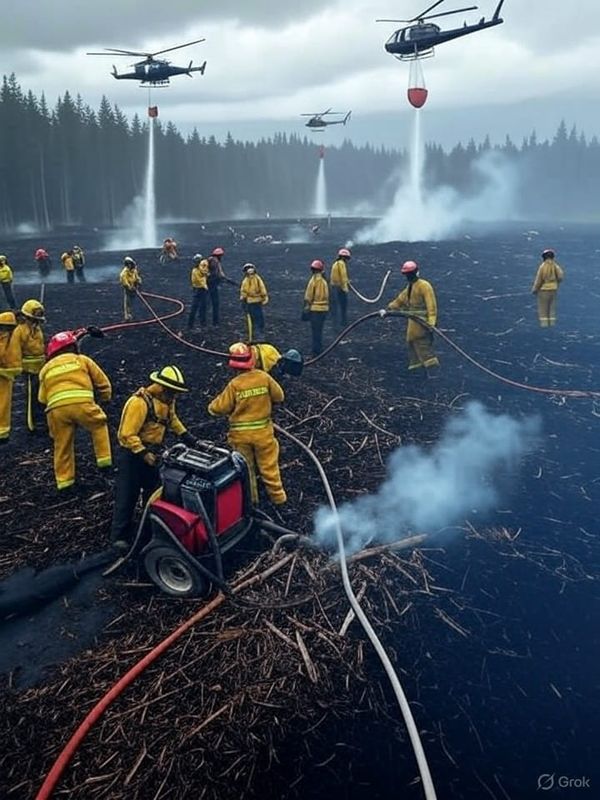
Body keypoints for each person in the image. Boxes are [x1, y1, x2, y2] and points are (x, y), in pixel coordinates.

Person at [110, 365, 196, 550]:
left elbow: (171, 419)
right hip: (132, 456)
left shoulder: (166, 401)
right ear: (162, 388)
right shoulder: (139, 403)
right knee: (127, 495)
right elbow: (126, 434)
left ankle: (149, 531)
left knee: (154, 494)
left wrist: (187, 437)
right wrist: (143, 453)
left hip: (153, 452)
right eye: (172, 393)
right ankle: (119, 538)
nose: (174, 397)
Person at [208, 343, 286, 507]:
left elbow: (218, 408)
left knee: (247, 470)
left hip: (240, 437)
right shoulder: (264, 377)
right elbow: (279, 396)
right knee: (269, 467)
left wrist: (211, 407)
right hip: (264, 434)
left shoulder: (234, 385)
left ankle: (252, 501)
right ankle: (279, 498)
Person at [38, 331, 112, 491]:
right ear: (74, 347)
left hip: (56, 411)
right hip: (82, 404)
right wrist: (105, 399)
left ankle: (64, 481)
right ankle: (104, 461)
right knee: (99, 425)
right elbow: (103, 382)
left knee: (62, 443)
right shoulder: (82, 360)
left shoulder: (45, 369)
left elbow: (42, 398)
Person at [381, 260, 439, 372]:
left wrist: (431, 323)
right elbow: (400, 300)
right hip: (413, 324)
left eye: (410, 274)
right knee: (412, 344)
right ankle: (417, 371)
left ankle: (433, 373)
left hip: (422, 323)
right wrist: (388, 309)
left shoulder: (424, 286)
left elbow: (431, 306)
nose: (409, 276)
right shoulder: (410, 287)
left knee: (423, 347)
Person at [15, 299, 46, 433]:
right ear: (25, 317)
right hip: (29, 370)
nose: (36, 322)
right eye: (33, 319)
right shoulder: (19, 331)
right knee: (31, 398)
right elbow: (15, 351)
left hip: (40, 367)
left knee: (40, 395)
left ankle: (41, 419)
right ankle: (32, 424)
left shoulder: (37, 329)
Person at [0, 311, 22, 443]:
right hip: (4, 375)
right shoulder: (7, 339)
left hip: (5, 375)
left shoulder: (9, 338)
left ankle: (3, 432)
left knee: (4, 404)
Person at [531, 248, 564, 328]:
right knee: (552, 307)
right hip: (553, 289)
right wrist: (556, 283)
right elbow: (560, 276)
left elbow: (539, 279)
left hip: (543, 290)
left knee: (543, 307)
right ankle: (552, 324)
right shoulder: (555, 266)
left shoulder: (542, 266)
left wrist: (535, 289)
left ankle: (544, 324)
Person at [303, 259, 329, 356]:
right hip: (324, 310)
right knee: (320, 330)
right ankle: (320, 348)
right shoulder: (324, 281)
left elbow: (308, 296)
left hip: (315, 310)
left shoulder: (313, 280)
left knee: (315, 332)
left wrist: (306, 308)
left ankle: (316, 351)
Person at [240, 263, 268, 341]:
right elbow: (263, 289)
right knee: (259, 318)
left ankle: (254, 334)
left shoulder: (246, 280)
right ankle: (259, 333)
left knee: (252, 319)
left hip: (251, 302)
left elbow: (243, 292)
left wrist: (243, 301)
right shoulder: (258, 279)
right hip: (257, 302)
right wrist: (264, 297)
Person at [330, 247, 351, 328]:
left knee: (335, 306)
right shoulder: (341, 264)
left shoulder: (335, 263)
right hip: (339, 288)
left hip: (334, 287)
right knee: (343, 306)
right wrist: (345, 288)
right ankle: (343, 323)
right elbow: (343, 276)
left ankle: (336, 323)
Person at [188, 253, 209, 329]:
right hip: (199, 289)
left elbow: (205, 273)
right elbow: (200, 280)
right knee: (195, 307)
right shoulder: (195, 271)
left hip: (200, 289)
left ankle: (201, 323)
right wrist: (205, 287)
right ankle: (191, 324)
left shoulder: (199, 269)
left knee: (202, 307)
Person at [206, 246, 226, 325]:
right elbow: (216, 273)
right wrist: (220, 278)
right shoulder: (215, 261)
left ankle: (204, 320)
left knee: (208, 301)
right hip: (212, 284)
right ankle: (215, 321)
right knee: (215, 303)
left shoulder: (211, 260)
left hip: (208, 283)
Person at [120, 256, 142, 321]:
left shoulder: (134, 270)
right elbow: (124, 281)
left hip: (135, 288)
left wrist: (139, 281)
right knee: (128, 303)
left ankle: (135, 315)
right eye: (128, 264)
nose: (129, 265)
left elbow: (137, 277)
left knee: (134, 303)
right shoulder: (124, 273)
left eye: (130, 264)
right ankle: (127, 317)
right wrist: (129, 287)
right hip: (128, 290)